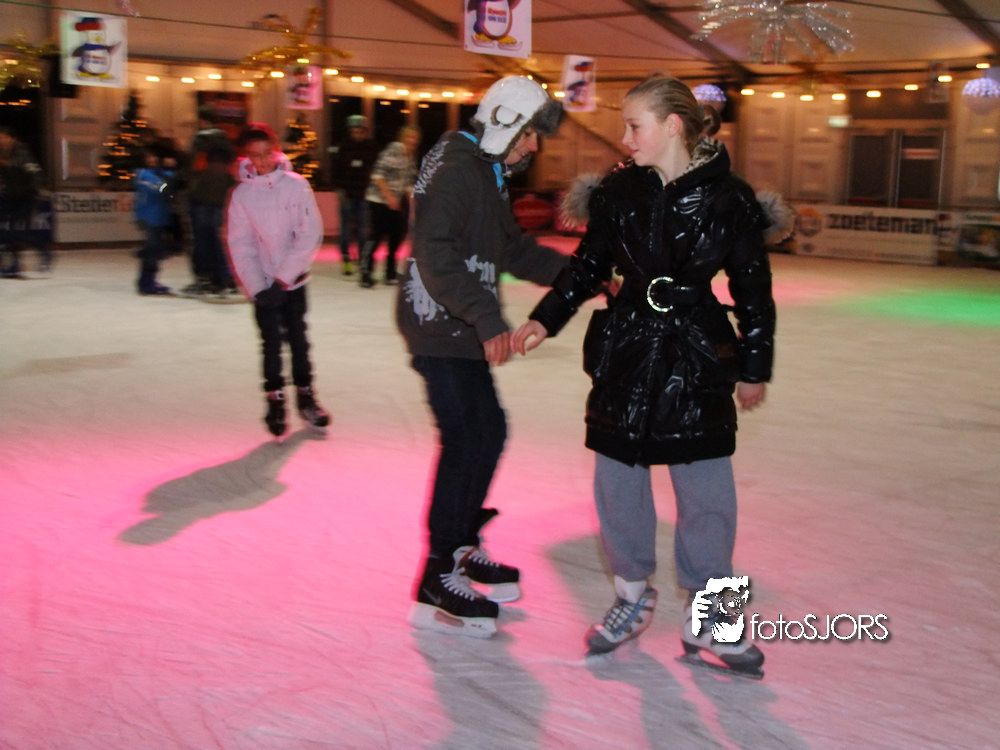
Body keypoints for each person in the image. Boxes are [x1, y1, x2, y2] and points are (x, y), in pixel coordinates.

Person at [512, 75, 782, 677]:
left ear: (673, 126)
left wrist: (754, 365)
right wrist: (545, 318)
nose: (626, 138)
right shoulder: (619, 192)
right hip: (628, 352)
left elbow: (753, 291)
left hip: (696, 356)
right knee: (619, 485)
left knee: (708, 497)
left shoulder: (729, 199)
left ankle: (715, 621)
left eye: (635, 126)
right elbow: (587, 266)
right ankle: (631, 596)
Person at [396, 76, 566, 638]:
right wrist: (486, 316)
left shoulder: (485, 170)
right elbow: (433, 252)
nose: (533, 146)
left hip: (458, 323)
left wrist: (581, 276)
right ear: (502, 123)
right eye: (529, 134)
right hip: (438, 323)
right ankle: (437, 574)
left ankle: (461, 545)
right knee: (468, 437)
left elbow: (511, 248)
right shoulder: (456, 169)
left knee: (487, 431)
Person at [226, 127, 330, 440]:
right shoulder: (242, 195)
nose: (262, 161)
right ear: (247, 157)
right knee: (270, 344)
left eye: (266, 154)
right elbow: (241, 245)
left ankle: (307, 398)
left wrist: (283, 278)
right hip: (263, 284)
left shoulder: (296, 186)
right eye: (255, 156)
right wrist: (258, 287)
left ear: (275, 150)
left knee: (298, 340)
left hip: (293, 282)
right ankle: (275, 401)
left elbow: (309, 234)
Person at [181, 105, 237, 298]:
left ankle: (204, 278)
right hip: (220, 196)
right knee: (215, 237)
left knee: (201, 239)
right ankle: (224, 278)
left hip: (200, 195)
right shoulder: (227, 142)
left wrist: (186, 185)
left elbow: (190, 166)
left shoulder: (200, 140)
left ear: (202, 120)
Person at [359, 124, 421, 288]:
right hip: (378, 200)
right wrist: (389, 197)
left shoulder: (409, 158)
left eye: (415, 139)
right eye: (410, 137)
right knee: (376, 236)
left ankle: (390, 272)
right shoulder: (391, 152)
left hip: (395, 201)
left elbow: (409, 184)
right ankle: (366, 272)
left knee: (396, 236)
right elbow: (377, 176)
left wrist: (413, 207)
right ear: (402, 138)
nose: (412, 141)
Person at [330, 114, 378, 276]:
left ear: (364, 131)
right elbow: (335, 170)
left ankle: (363, 258)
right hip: (347, 194)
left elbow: (374, 169)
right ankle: (346, 259)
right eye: (354, 131)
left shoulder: (370, 147)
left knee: (364, 229)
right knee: (346, 229)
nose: (357, 134)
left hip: (364, 194)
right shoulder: (343, 147)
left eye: (360, 131)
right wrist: (338, 189)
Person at [132, 146, 180, 295]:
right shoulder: (144, 175)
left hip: (157, 216)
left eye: (153, 156)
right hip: (150, 217)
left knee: (155, 249)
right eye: (149, 157)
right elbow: (162, 189)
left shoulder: (155, 173)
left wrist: (170, 172)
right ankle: (147, 282)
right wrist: (171, 173)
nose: (153, 159)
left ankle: (149, 280)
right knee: (153, 249)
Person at [0, 126, 44, 279]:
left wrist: (38, 191)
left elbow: (34, 172)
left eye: (4, 137)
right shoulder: (3, 153)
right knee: (11, 231)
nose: (1, 140)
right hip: (12, 196)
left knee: (20, 232)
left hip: (27, 197)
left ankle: (43, 251)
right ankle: (14, 266)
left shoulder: (22, 152)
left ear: (12, 138)